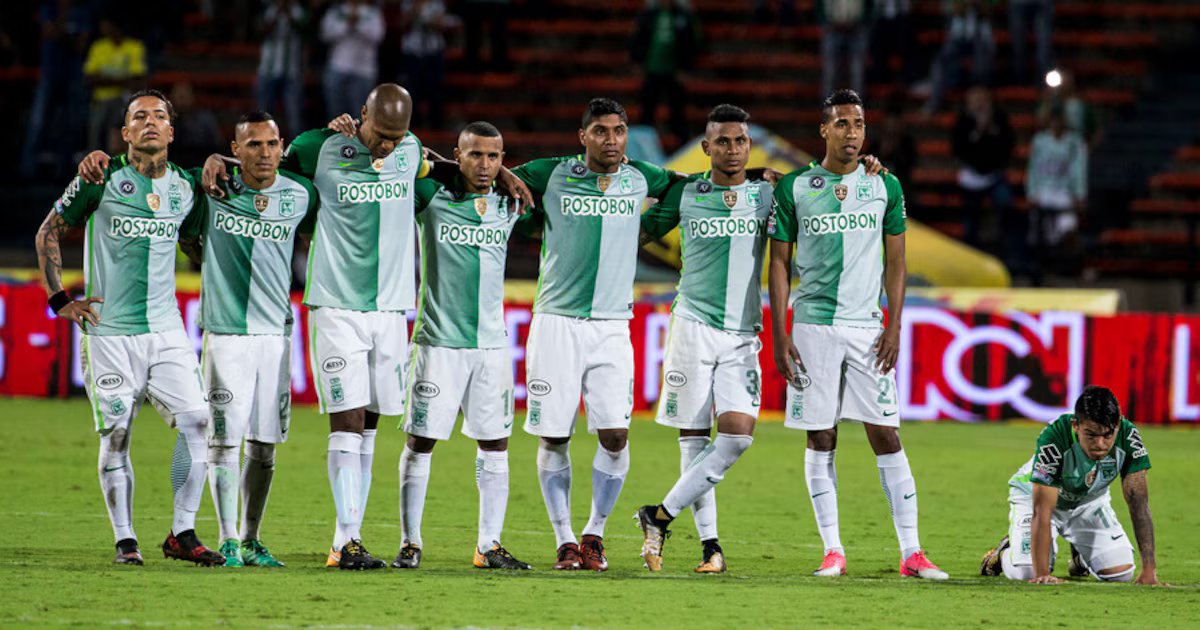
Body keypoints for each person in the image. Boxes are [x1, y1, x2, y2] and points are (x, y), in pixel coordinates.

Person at [204, 84, 428, 570]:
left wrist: (504, 175)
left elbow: (450, 166)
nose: (387, 145)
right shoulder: (317, 146)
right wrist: (220, 158)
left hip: (392, 309)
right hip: (336, 306)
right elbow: (262, 170)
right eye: (380, 134)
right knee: (347, 422)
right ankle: (347, 542)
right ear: (361, 114)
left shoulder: (411, 150)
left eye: (397, 136)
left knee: (369, 427)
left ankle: (346, 538)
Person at [34, 89, 222, 567]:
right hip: (109, 332)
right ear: (125, 132)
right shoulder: (99, 177)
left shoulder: (186, 187)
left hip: (166, 331)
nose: (150, 122)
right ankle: (125, 540)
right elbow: (48, 231)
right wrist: (60, 301)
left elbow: (194, 243)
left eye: (159, 116)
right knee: (117, 434)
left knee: (199, 421)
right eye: (139, 116)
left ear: (172, 131)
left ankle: (182, 532)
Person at [768, 89, 948, 580]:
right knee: (821, 435)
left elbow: (897, 260)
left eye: (859, 124)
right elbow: (779, 262)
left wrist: (894, 324)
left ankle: (912, 553)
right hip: (813, 326)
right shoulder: (796, 188)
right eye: (843, 123)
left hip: (868, 328)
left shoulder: (884, 184)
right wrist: (781, 332)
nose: (852, 132)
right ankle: (833, 551)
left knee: (885, 433)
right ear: (824, 129)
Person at [510, 98, 679, 571]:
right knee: (554, 436)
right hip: (556, 321)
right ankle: (564, 539)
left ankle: (594, 534)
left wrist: (647, 228)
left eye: (619, 131)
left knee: (616, 435)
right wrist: (532, 223)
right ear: (582, 136)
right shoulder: (552, 172)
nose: (611, 140)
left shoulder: (640, 176)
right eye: (601, 131)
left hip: (612, 325)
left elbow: (684, 188)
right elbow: (499, 177)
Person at [633, 104, 773, 574]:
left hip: (742, 333)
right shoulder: (686, 192)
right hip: (692, 327)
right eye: (723, 141)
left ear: (749, 146)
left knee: (736, 438)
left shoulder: (769, 194)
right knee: (694, 441)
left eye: (741, 141)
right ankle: (711, 548)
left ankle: (658, 516)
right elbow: (639, 232)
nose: (733, 149)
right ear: (706, 147)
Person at [392, 121, 531, 571]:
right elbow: (405, 153)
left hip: (491, 345)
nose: (485, 164)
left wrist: (508, 176)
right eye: (475, 155)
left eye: (494, 156)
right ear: (457, 155)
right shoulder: (432, 197)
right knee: (421, 441)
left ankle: (488, 544)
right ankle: (410, 541)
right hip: (438, 343)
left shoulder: (509, 203)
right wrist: (449, 167)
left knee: (495, 444)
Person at [185, 112, 317, 567]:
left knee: (263, 447)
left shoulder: (301, 195)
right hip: (226, 334)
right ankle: (226, 540)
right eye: (254, 144)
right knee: (223, 441)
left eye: (272, 144)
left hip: (275, 336)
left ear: (282, 147)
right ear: (235, 150)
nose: (265, 153)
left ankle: (251, 539)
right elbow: (185, 229)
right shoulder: (212, 190)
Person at [980, 385, 1163, 585]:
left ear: (1118, 424)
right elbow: (1042, 510)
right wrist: (1042, 574)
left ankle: (1080, 558)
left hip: (1088, 503)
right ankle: (1004, 553)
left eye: (1107, 435)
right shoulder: (1055, 436)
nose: (1100, 444)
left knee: (1121, 574)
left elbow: (1138, 502)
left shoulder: (1128, 437)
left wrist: (1149, 569)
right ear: (1075, 425)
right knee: (1027, 571)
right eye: (1091, 435)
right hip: (1033, 498)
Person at [1025, 105, 1087, 285]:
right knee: (1040, 233)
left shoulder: (1074, 142)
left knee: (1069, 229)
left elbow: (1079, 168)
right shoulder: (1040, 140)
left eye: (1059, 119)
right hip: (1043, 191)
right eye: (1053, 120)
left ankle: (1073, 269)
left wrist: (1079, 194)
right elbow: (1033, 168)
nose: (1056, 123)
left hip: (1064, 192)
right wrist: (1032, 193)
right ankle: (1040, 272)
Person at [630, 0, 702, 148]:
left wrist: (686, 67)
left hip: (675, 72)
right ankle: (642, 146)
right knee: (647, 111)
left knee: (677, 113)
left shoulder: (683, 15)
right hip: (652, 70)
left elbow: (692, 42)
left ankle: (681, 147)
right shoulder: (649, 15)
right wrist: (638, 61)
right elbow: (639, 38)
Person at [952, 86, 1014, 250]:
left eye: (983, 100)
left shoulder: (999, 119)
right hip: (971, 177)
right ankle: (969, 248)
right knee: (970, 216)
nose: (980, 105)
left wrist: (992, 130)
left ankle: (1005, 247)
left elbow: (1008, 146)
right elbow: (958, 149)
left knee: (1005, 203)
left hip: (994, 175)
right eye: (976, 101)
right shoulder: (963, 122)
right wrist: (978, 132)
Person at [84, 18, 146, 155]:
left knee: (118, 139)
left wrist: (105, 79)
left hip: (124, 101)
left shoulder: (134, 46)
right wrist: (123, 79)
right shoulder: (99, 46)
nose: (103, 28)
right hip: (100, 100)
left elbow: (137, 79)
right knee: (94, 137)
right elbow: (90, 79)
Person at [925, 0, 995, 113]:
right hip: (957, 37)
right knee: (940, 61)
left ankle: (979, 104)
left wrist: (977, 5)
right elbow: (954, 10)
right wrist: (966, 4)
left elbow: (989, 11)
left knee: (982, 60)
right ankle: (935, 102)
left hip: (981, 36)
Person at [320, 0, 385, 121]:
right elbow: (325, 34)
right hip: (338, 67)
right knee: (335, 114)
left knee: (359, 115)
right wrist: (347, 25)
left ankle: (357, 134)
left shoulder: (372, 13)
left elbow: (378, 36)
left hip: (363, 71)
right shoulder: (336, 11)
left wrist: (358, 24)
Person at [397, 0, 455, 129]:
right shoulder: (408, 3)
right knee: (411, 93)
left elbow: (441, 25)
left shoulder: (436, 3)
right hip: (412, 54)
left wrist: (429, 22)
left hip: (433, 53)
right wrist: (414, 12)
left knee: (435, 92)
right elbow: (403, 24)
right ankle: (413, 127)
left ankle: (437, 127)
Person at [257, 0, 307, 138]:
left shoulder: (299, 11)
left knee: (294, 116)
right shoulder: (268, 10)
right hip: (267, 70)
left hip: (292, 71)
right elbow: (260, 32)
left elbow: (304, 31)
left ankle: (295, 147)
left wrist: (289, 15)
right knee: (263, 115)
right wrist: (277, 14)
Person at [817, 0, 870, 99]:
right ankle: (828, 105)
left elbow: (869, 6)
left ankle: (857, 105)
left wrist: (864, 21)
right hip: (832, 28)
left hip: (856, 29)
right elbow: (820, 6)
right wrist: (825, 21)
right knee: (830, 72)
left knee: (857, 72)